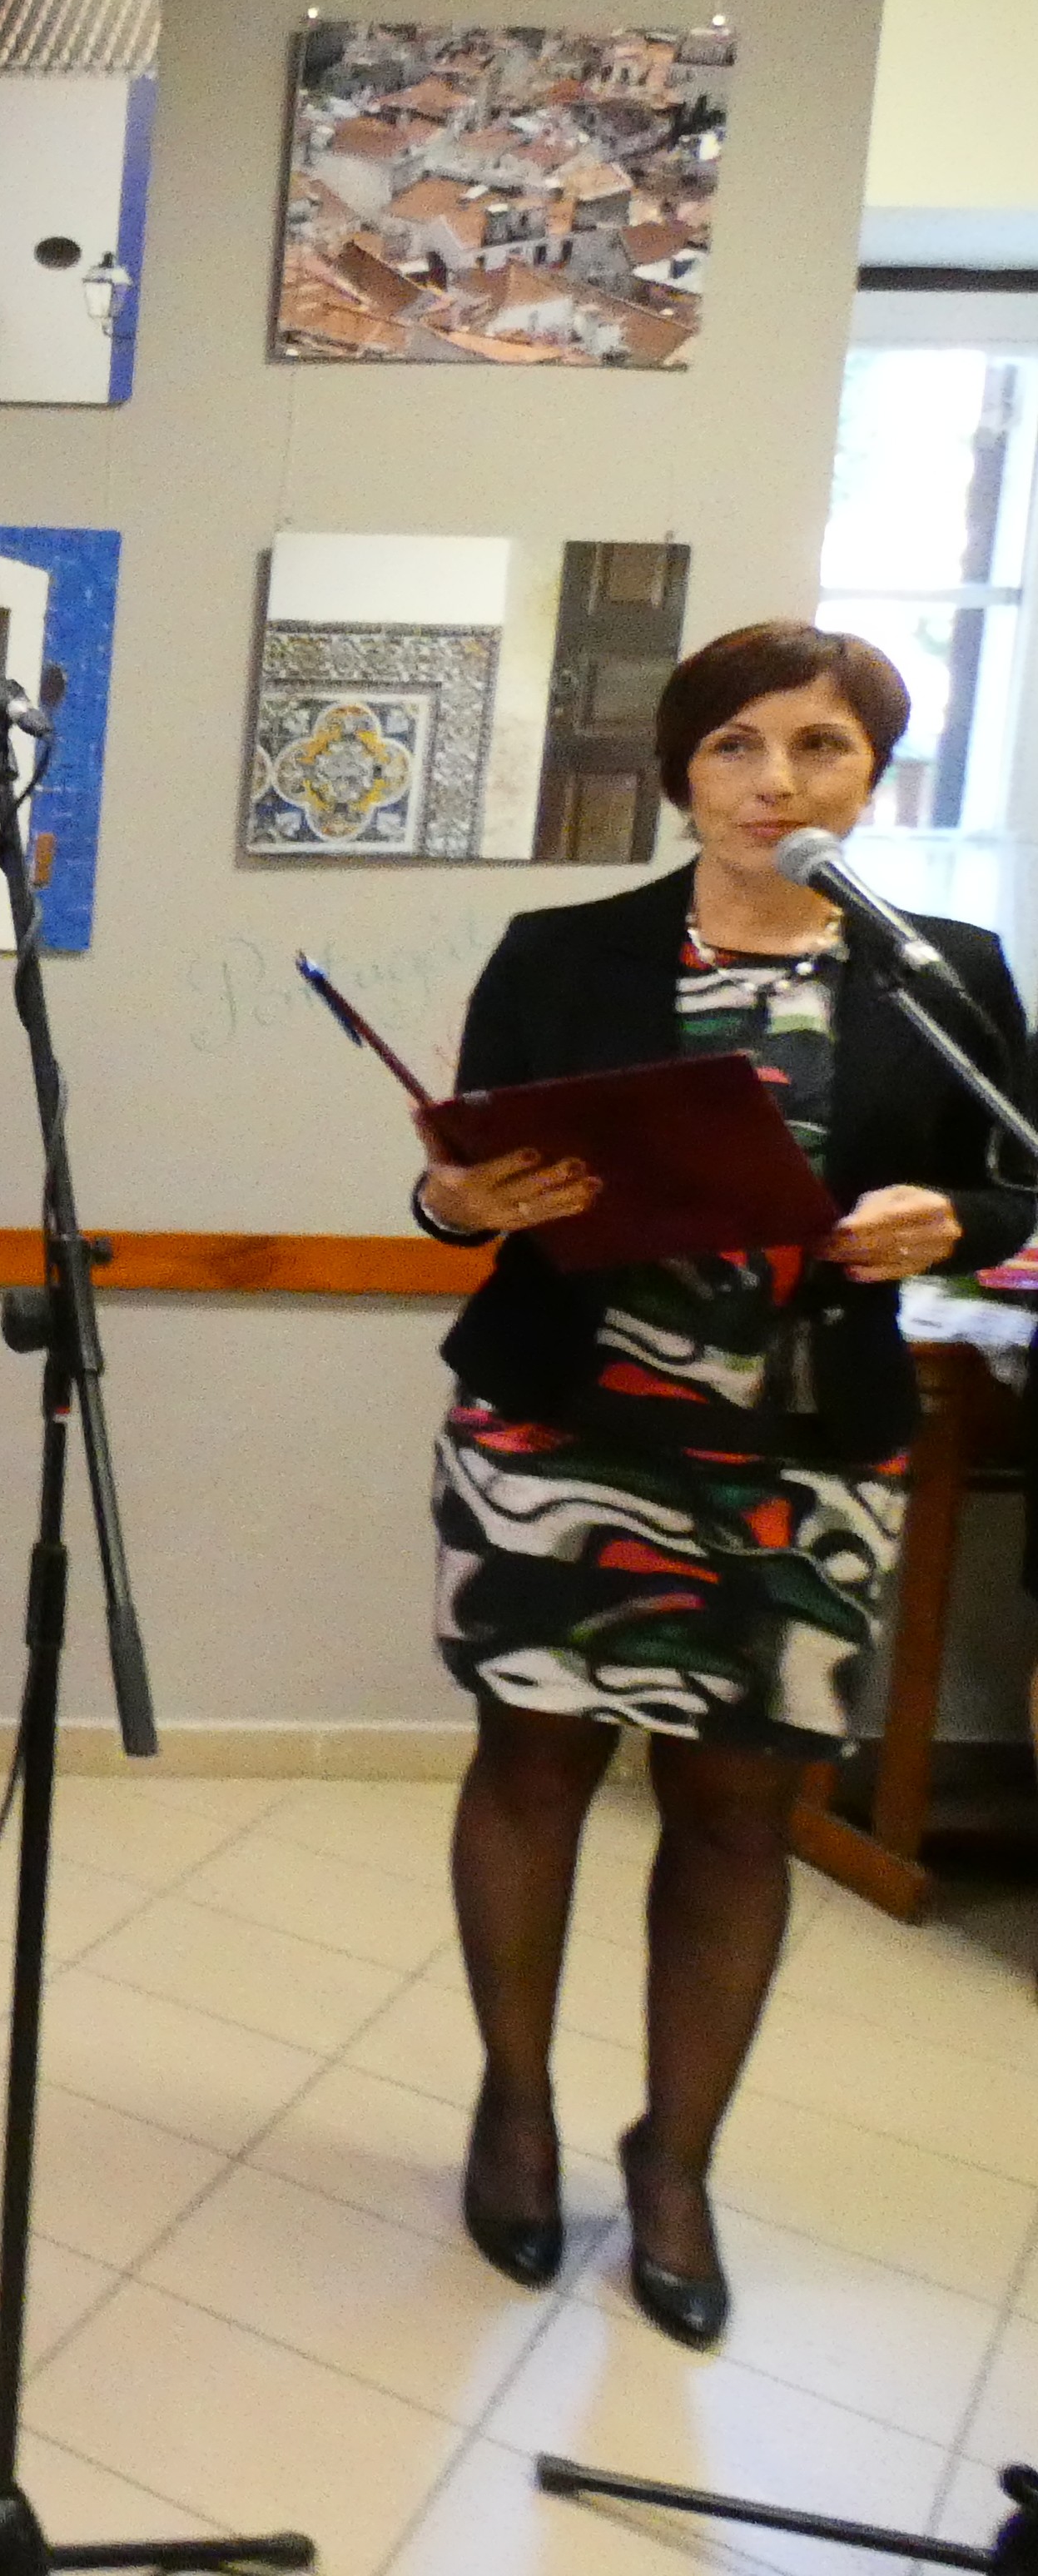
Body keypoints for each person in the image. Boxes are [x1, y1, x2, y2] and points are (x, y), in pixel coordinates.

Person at [413, 619, 1028, 2351]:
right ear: (682, 769)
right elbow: (469, 1173)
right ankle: (515, 2106)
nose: (777, 782)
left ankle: (673, 2164)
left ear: (873, 777)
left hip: (803, 1453)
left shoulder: (947, 972)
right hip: (561, 1435)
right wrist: (455, 1205)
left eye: (822, 747)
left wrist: (960, 1225)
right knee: (532, 1765)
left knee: (740, 1811)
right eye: (737, 745)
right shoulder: (563, 952)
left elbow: (1013, 1182)